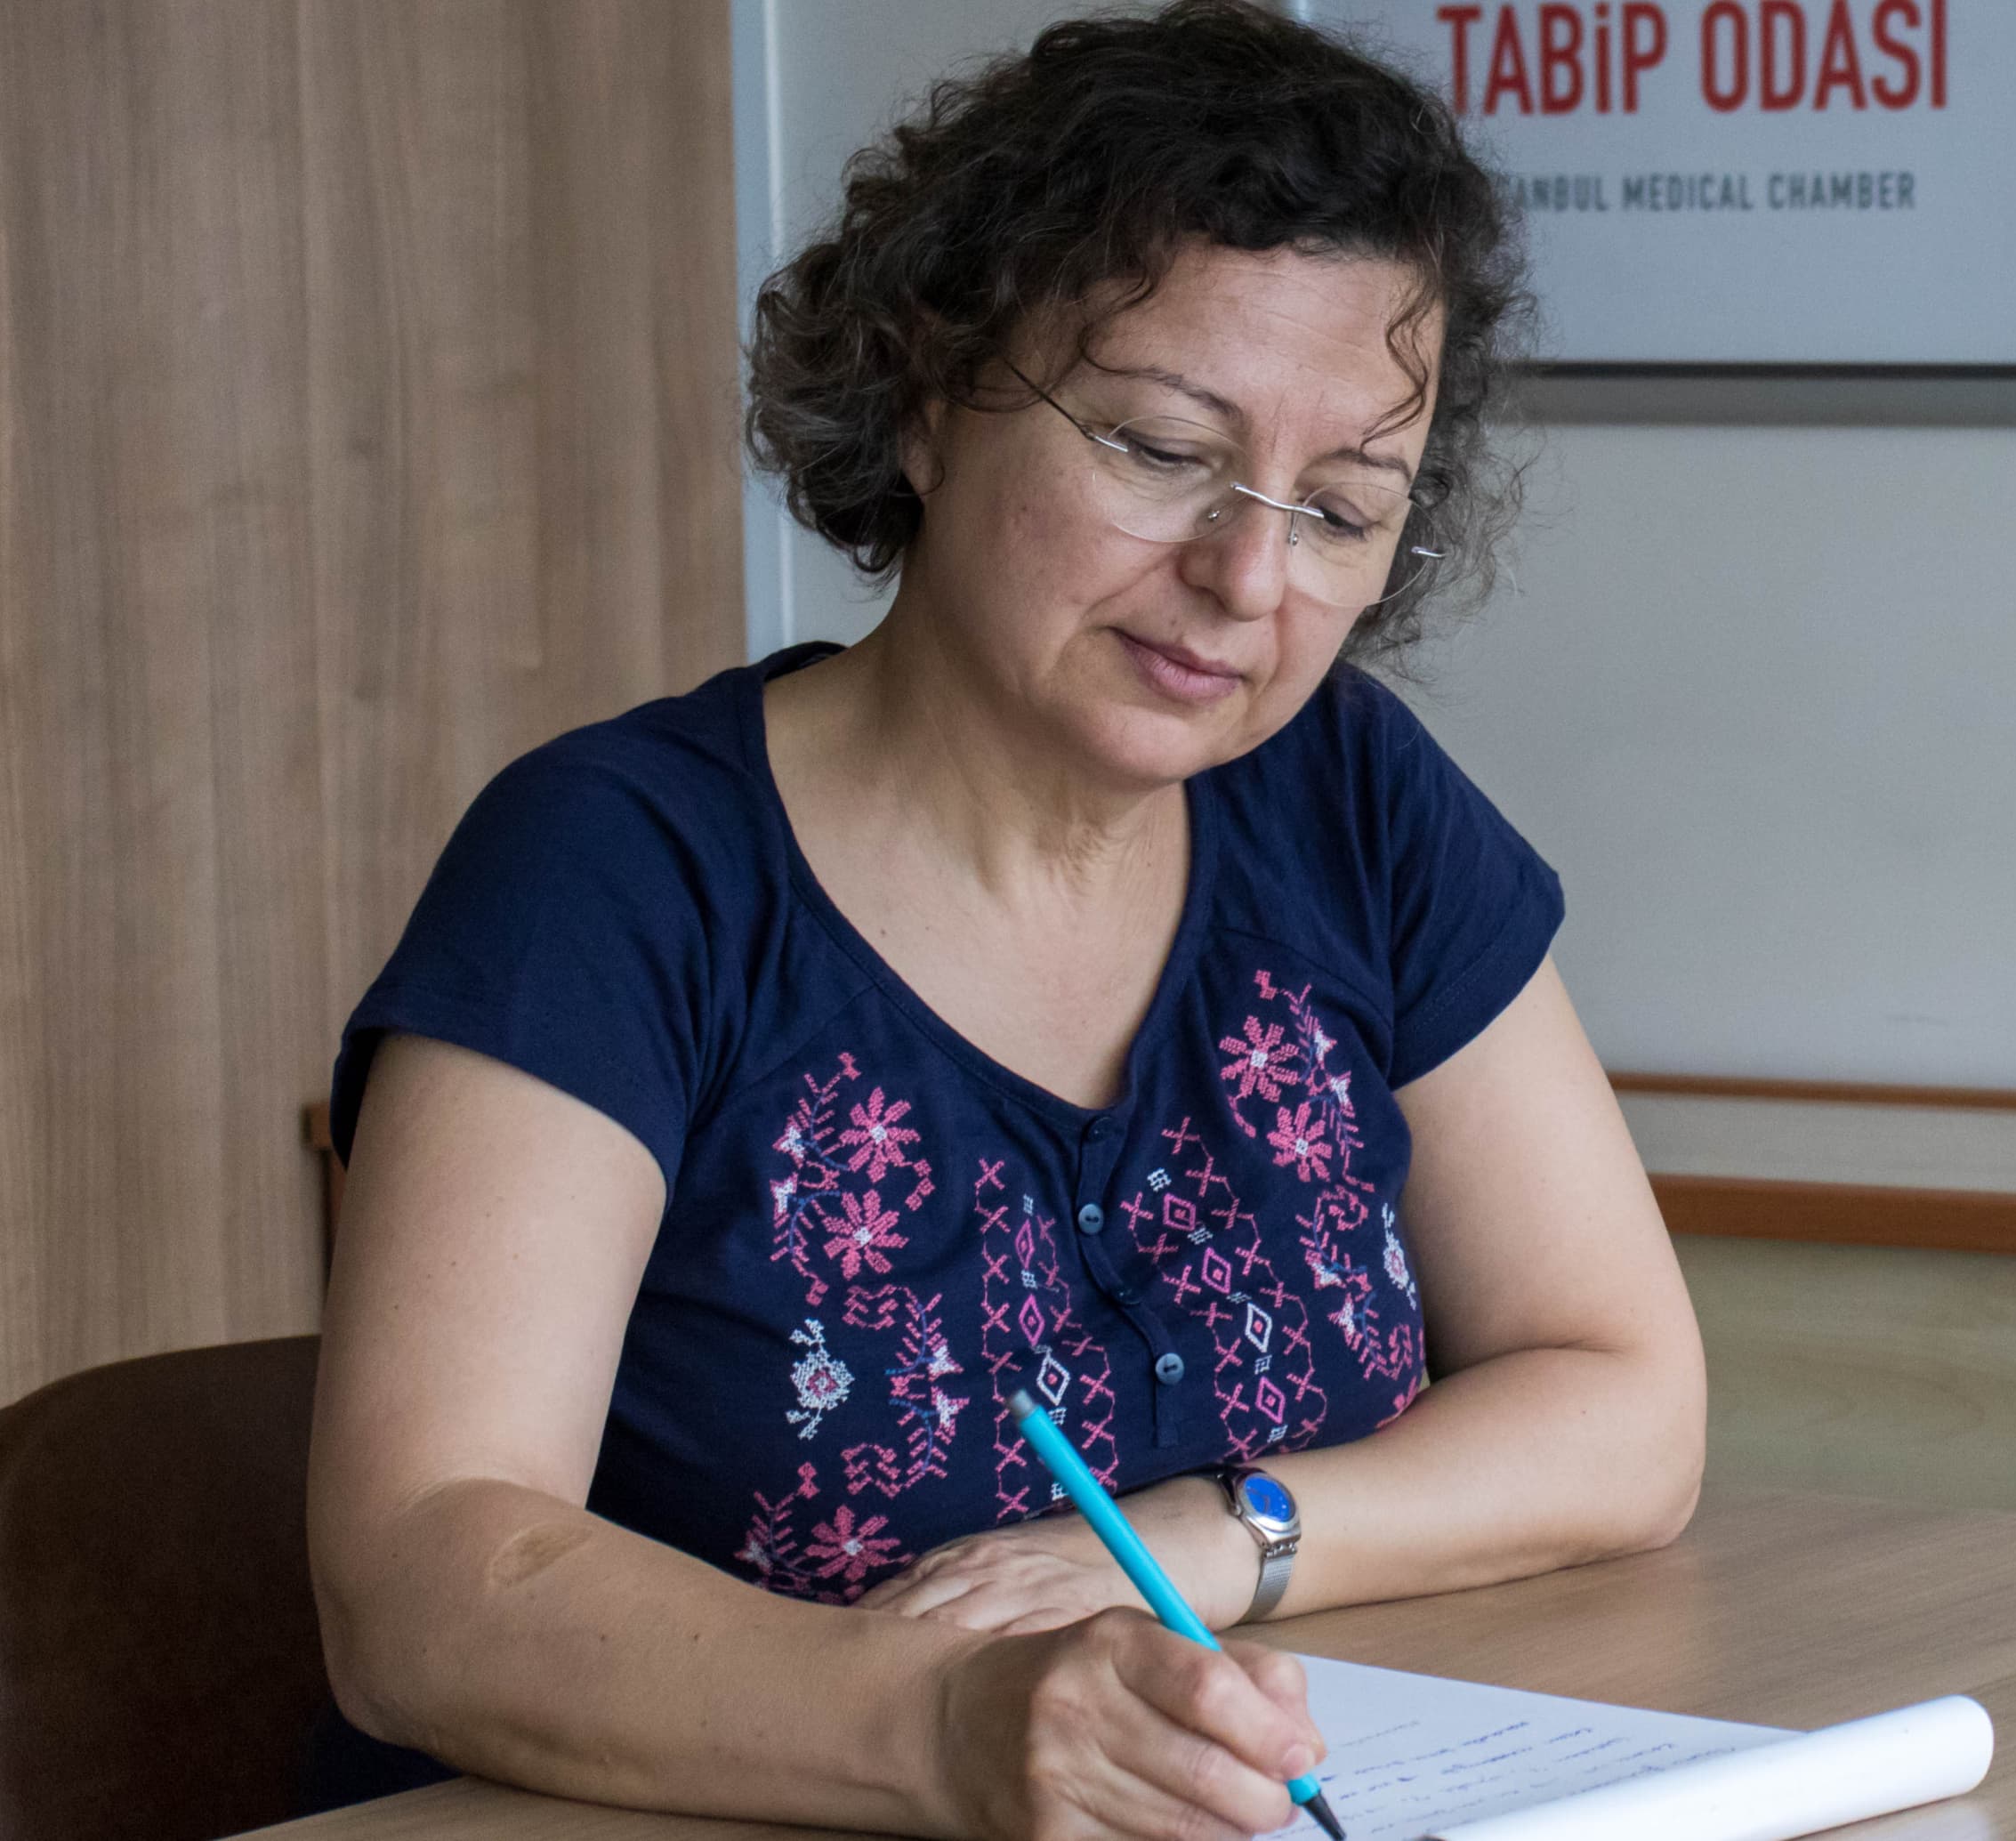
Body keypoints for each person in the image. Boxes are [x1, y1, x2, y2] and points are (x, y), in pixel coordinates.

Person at [302, 7, 1706, 1837]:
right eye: (1155, 446)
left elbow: (1623, 1398)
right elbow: (417, 1582)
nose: (1247, 579)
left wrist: (1203, 1552)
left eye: (1343, 510)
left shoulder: (1348, 795)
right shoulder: (616, 868)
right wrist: (946, 1724)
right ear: (922, 387)